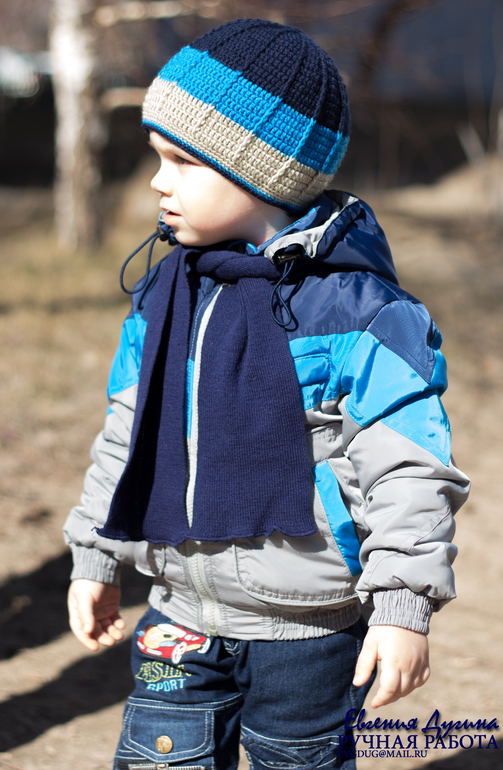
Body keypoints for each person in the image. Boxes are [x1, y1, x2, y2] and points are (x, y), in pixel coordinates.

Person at [64, 18, 470, 770]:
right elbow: (126, 434)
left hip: (308, 631)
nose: (157, 181)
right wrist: (95, 556)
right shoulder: (163, 295)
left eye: (182, 161)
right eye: (157, 156)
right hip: (178, 618)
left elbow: (409, 468)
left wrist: (402, 605)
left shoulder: (360, 314)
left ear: (262, 174)